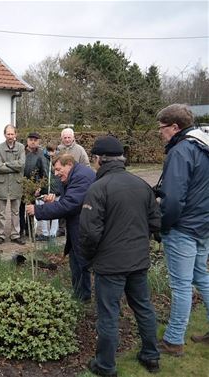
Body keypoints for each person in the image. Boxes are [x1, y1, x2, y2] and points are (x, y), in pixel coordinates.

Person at [80, 136, 161, 376]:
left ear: (99, 159)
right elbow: (156, 222)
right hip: (137, 261)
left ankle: (105, 365)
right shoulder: (141, 184)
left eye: (94, 158)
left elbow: (89, 233)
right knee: (144, 308)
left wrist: (89, 258)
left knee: (109, 315)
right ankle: (151, 357)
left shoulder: (98, 188)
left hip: (110, 265)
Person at [155, 104, 209, 355]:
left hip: (183, 228)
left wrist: (162, 225)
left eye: (162, 128)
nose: (160, 132)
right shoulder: (204, 146)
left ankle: (173, 340)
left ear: (175, 127)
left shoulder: (182, 150)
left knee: (181, 285)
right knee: (202, 278)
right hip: (202, 226)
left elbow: (173, 199)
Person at [26, 154, 95, 302]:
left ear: (69, 164)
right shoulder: (75, 174)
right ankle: (80, 295)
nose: (56, 174)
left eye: (58, 169)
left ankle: (83, 298)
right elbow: (69, 201)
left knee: (82, 263)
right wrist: (52, 201)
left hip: (84, 228)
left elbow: (69, 205)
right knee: (76, 262)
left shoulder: (81, 177)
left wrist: (38, 210)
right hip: (79, 226)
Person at [0, 124, 26, 245]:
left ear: (16, 134)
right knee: (1, 212)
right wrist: (14, 166)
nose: (10, 136)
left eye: (12, 134)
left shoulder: (21, 148)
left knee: (15, 211)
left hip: (16, 183)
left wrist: (6, 163)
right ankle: (0, 234)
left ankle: (15, 234)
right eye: (8, 134)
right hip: (1, 184)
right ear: (4, 134)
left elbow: (21, 165)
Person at [20, 132, 47, 240]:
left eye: (35, 140)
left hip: (33, 187)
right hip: (20, 185)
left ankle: (30, 231)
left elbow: (44, 173)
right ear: (27, 140)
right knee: (19, 209)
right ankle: (20, 230)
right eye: (31, 139)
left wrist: (39, 187)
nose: (33, 141)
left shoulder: (41, 154)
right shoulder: (21, 152)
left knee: (31, 209)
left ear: (38, 141)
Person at [37, 142, 62, 241]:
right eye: (50, 151)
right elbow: (37, 173)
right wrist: (38, 186)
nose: (52, 153)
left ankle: (52, 234)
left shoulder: (60, 159)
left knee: (55, 212)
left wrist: (56, 190)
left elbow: (60, 175)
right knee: (43, 211)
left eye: (54, 151)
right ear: (46, 150)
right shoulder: (41, 158)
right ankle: (45, 233)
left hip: (56, 190)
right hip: (44, 189)